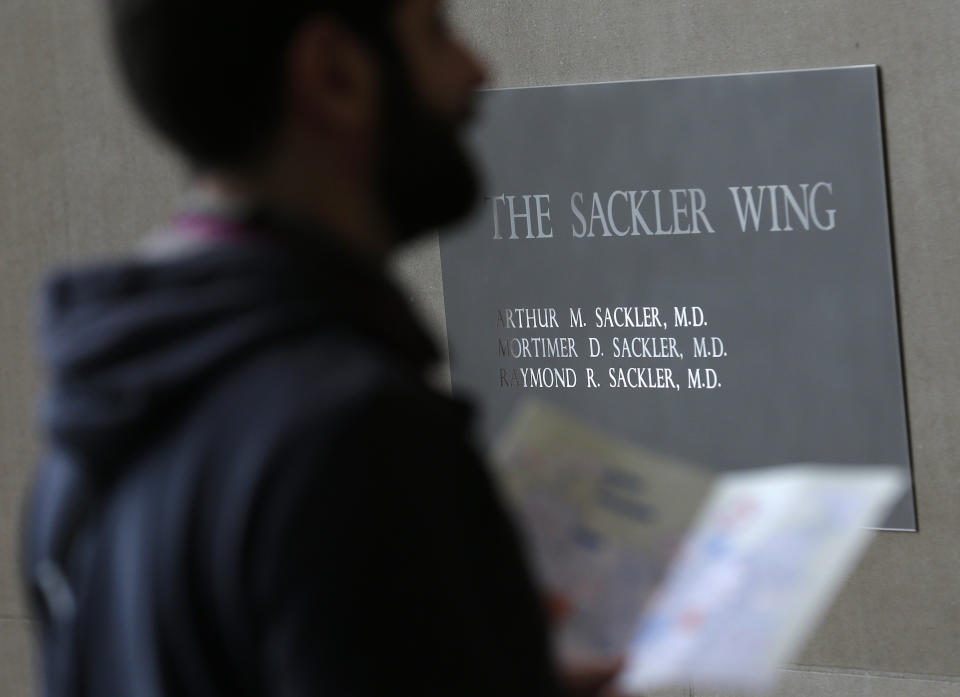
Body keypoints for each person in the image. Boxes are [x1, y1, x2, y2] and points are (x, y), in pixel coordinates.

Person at [23, 1, 622, 696]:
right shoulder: (358, 437)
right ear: (334, 74)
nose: (475, 69)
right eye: (435, 33)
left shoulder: (83, 440)